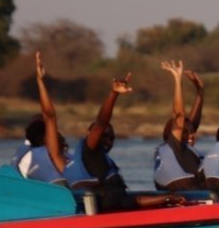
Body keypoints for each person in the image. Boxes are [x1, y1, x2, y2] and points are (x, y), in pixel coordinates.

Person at [63, 71, 185, 212]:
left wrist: (167, 198)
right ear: (90, 134)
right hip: (107, 220)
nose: (107, 140)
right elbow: (101, 122)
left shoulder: (102, 165)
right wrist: (113, 94)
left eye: (111, 138)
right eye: (104, 135)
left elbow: (129, 201)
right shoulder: (90, 151)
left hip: (118, 210)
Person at [14, 52, 71, 186]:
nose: (57, 134)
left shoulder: (66, 156)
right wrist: (40, 81)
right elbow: (49, 115)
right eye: (52, 133)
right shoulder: (37, 156)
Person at [154, 60, 205, 191]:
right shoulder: (173, 146)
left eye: (193, 132)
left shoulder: (184, 150)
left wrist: (200, 91)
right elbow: (179, 116)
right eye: (185, 133)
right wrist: (177, 79)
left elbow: (192, 122)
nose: (192, 136)